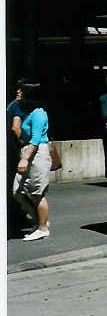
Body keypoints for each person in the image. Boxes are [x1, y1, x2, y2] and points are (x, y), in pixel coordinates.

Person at [12, 82, 52, 241]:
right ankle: (39, 222)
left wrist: (24, 159)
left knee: (37, 193)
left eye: (21, 91)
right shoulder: (26, 112)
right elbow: (22, 135)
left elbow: (35, 140)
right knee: (17, 191)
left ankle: (42, 228)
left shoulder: (38, 114)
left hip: (37, 154)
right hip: (28, 151)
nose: (18, 92)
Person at [7, 81, 29, 236]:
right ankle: (19, 215)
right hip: (13, 149)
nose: (19, 92)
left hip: (8, 148)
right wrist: (24, 142)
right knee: (17, 184)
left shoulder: (10, 105)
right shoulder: (18, 106)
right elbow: (16, 128)